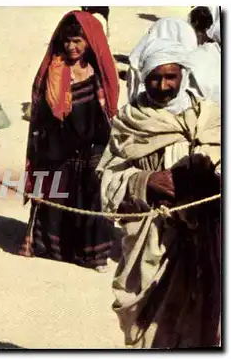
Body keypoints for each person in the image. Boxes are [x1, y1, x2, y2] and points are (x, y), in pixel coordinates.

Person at [96, 38, 221, 348]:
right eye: (154, 77)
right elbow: (107, 178)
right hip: (150, 241)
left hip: (203, 242)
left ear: (183, 74)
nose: (163, 85)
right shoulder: (129, 121)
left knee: (199, 321)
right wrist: (145, 180)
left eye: (170, 77)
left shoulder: (209, 117)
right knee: (146, 325)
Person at [19, 11, 119, 272]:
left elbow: (107, 110)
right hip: (59, 144)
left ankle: (93, 257)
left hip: (93, 144)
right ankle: (45, 247)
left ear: (90, 42)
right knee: (55, 193)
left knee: (93, 195)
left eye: (78, 41)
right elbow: (40, 114)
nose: (71, 47)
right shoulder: (54, 70)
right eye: (67, 41)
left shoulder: (97, 70)